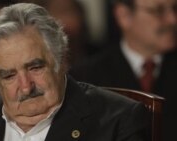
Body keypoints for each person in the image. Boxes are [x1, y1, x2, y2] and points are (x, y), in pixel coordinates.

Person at [0, 3, 150, 141]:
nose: (26, 86)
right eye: (9, 75)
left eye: (35, 67)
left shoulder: (118, 121)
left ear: (60, 61)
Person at [70, 0, 177, 140]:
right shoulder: (83, 77)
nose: (173, 19)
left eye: (175, 8)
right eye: (158, 10)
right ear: (124, 15)